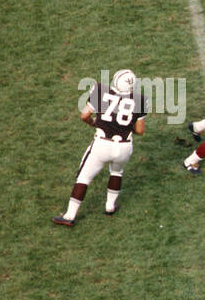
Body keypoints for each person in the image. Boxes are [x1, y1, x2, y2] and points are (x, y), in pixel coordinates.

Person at [53, 68, 145, 226]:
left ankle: (69, 216)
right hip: (124, 147)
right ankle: (110, 206)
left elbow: (84, 115)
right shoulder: (140, 99)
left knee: (84, 178)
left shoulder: (101, 90)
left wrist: (93, 123)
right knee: (117, 172)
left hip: (102, 143)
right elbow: (140, 130)